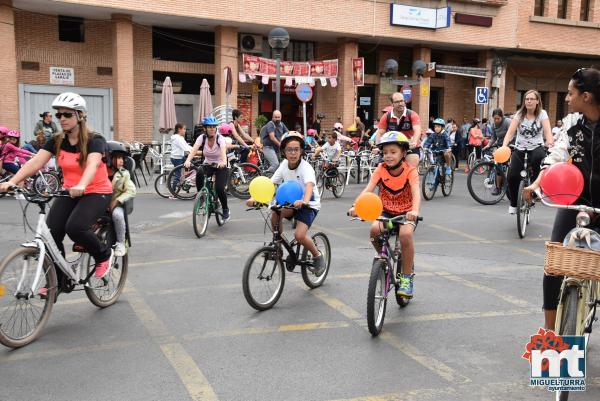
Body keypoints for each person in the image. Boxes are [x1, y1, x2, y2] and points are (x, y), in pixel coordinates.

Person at [0, 92, 115, 281]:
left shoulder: (95, 140)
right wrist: (12, 182)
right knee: (51, 235)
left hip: (96, 191)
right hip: (70, 191)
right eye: (59, 115)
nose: (62, 119)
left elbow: (93, 164)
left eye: (67, 114)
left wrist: (82, 184)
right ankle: (59, 281)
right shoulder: (57, 140)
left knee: (76, 228)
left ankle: (103, 255)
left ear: (80, 116)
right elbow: (35, 162)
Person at [522, 68, 600, 331]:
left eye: (570, 93)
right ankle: (548, 332)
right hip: (575, 200)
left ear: (586, 96)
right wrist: (536, 183)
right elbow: (556, 156)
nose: (567, 98)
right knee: (554, 264)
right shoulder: (571, 125)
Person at [348, 132, 421, 298]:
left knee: (405, 234)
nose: (388, 156)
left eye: (393, 152)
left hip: (406, 212)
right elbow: (368, 189)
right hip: (386, 211)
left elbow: (416, 193)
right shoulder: (380, 169)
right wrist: (355, 206)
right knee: (374, 231)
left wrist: (414, 211)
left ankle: (407, 277)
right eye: (385, 152)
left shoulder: (410, 171)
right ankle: (385, 260)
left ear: (403, 153)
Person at [246, 132, 326, 275]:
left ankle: (317, 256)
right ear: (283, 151)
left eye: (296, 149)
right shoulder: (283, 165)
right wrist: (255, 198)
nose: (293, 153)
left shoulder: (306, 167)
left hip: (308, 204)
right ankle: (278, 245)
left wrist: (304, 201)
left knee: (300, 236)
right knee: (275, 214)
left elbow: (309, 186)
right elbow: (271, 183)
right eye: (289, 149)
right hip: (290, 202)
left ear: (301, 151)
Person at [502, 89, 554, 214]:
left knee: (539, 159)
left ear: (537, 101)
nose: (529, 101)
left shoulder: (542, 114)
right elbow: (510, 133)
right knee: (513, 175)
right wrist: (504, 146)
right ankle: (514, 203)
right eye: (526, 99)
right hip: (520, 148)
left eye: (532, 99)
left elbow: (547, 132)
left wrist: (550, 143)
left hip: (536, 146)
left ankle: (535, 191)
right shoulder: (519, 114)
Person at [184, 116, 230, 221]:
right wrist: (188, 160)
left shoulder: (220, 139)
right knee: (199, 172)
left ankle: (225, 209)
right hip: (208, 164)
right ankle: (202, 197)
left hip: (220, 166)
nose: (212, 129)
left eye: (214, 127)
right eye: (209, 127)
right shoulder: (202, 138)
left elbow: (223, 153)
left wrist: (223, 162)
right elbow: (194, 150)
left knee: (219, 188)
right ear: (205, 128)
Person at [376, 92, 423, 168]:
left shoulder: (412, 114)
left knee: (410, 168)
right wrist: (378, 146)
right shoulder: (386, 116)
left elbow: (417, 130)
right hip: (393, 146)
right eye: (397, 102)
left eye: (402, 101)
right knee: (381, 168)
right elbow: (380, 133)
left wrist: (414, 142)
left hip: (410, 146)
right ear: (392, 104)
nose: (400, 103)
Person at [106, 141, 136, 257]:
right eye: (118, 158)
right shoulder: (99, 171)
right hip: (100, 203)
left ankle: (120, 242)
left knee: (117, 215)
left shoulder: (124, 174)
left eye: (122, 158)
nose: (122, 161)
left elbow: (131, 190)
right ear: (108, 158)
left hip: (117, 205)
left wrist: (117, 201)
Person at [170, 123, 192, 194]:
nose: (185, 131)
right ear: (179, 129)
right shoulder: (177, 138)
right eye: (184, 129)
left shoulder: (181, 138)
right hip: (177, 158)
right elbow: (185, 148)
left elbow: (186, 146)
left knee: (190, 166)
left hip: (180, 157)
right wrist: (194, 152)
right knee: (177, 175)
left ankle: (186, 182)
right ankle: (173, 193)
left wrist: (194, 150)